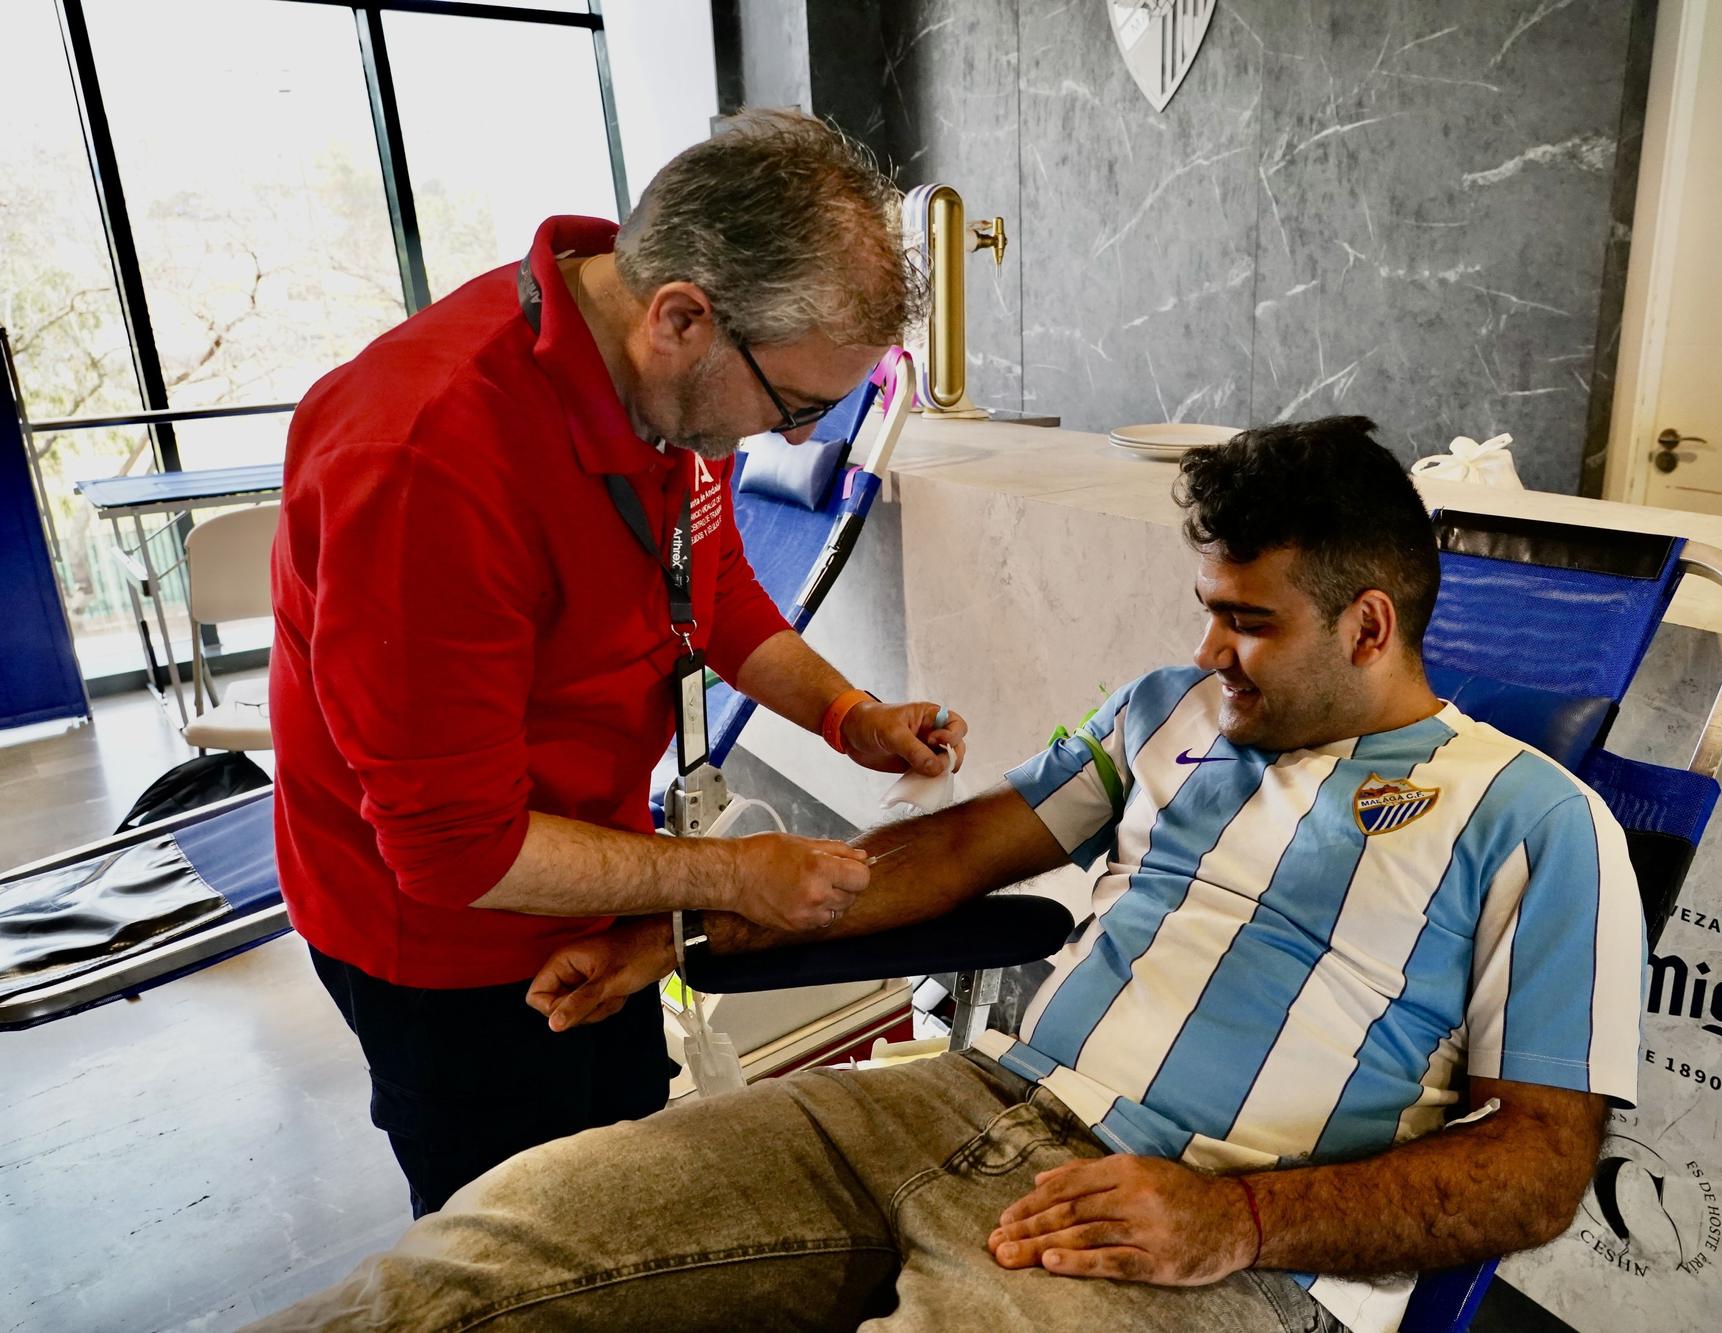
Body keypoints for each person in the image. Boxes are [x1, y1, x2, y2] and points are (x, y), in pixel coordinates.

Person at [255, 417, 1644, 1333]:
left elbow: (1539, 1165)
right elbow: (957, 848)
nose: (1212, 652)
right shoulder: (1170, 706)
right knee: (488, 1254)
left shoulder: (1534, 820)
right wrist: (692, 928)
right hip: (956, 1106)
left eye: (1247, 623)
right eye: (1206, 612)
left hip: (1189, 1231)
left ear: (1370, 621)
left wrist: (1238, 1219)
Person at [268, 109, 965, 1218]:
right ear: (681, 315)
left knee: (632, 1186)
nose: (791, 441)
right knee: (524, 1243)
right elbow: (458, 852)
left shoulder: (657, 387)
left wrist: (848, 715)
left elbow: (716, 592)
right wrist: (736, 878)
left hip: (603, 883)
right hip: (449, 939)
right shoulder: (424, 462)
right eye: (795, 405)